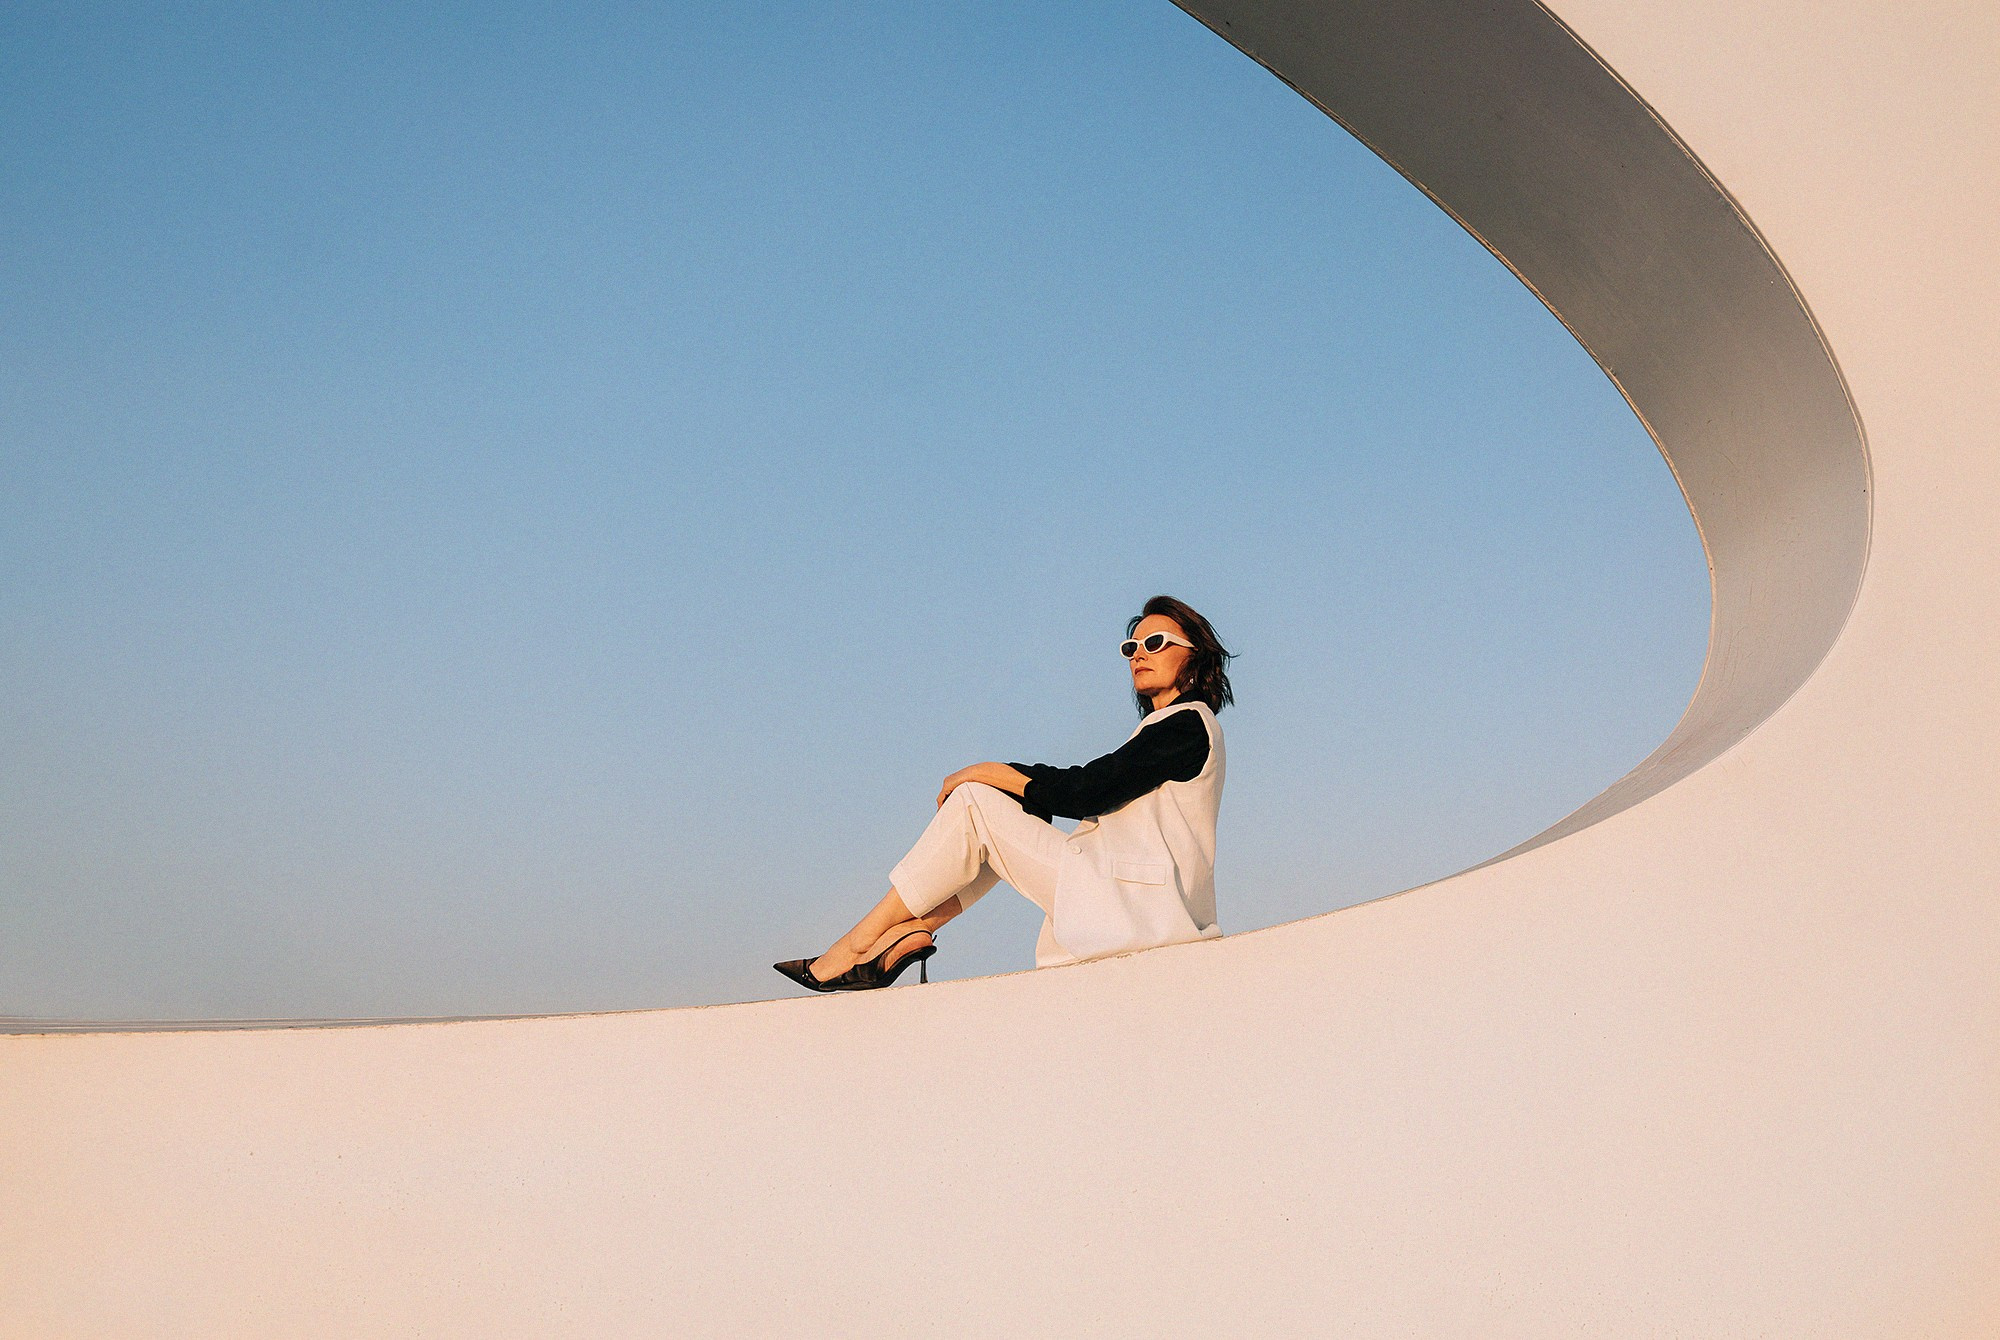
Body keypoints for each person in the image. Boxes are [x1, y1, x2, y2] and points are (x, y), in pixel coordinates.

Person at [773, 595, 1232, 993]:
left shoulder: (1188, 724)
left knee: (976, 801)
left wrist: (986, 771)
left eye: (1156, 643)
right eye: (1131, 646)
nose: (1138, 654)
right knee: (991, 824)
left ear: (1194, 657)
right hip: (1125, 901)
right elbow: (1080, 789)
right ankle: (913, 930)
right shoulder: (1162, 729)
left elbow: (1085, 791)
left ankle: (857, 944)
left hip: (1137, 909)